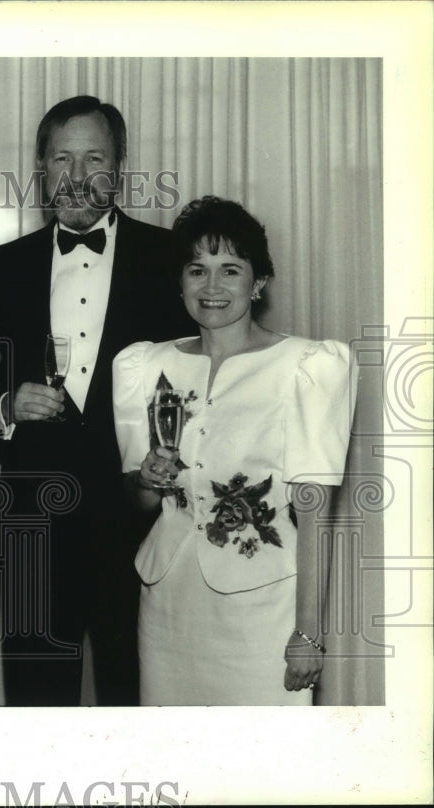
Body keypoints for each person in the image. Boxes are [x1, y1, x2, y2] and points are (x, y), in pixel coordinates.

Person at [0, 95, 194, 705]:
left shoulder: (171, 260)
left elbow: (204, 387)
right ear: (41, 167)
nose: (76, 175)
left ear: (119, 167)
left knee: (137, 695)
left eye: (94, 158)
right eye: (61, 158)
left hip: (143, 523)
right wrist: (7, 408)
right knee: (37, 699)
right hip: (34, 526)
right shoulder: (5, 266)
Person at [112, 196, 358, 705]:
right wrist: (144, 481)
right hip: (167, 606)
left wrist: (308, 634)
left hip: (264, 611)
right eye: (196, 270)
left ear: (258, 281)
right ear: (179, 282)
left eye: (230, 270)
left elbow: (316, 514)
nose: (212, 287)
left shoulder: (306, 365)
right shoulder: (143, 365)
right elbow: (136, 500)